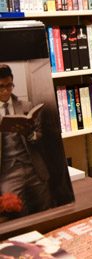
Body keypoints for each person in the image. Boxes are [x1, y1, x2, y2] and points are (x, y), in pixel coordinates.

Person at [0, 64, 52, 216]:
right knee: (15, 214)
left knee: (46, 209)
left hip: (33, 168)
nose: (6, 91)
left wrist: (29, 133)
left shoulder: (26, 106)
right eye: (1, 86)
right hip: (7, 173)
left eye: (9, 85)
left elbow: (39, 137)